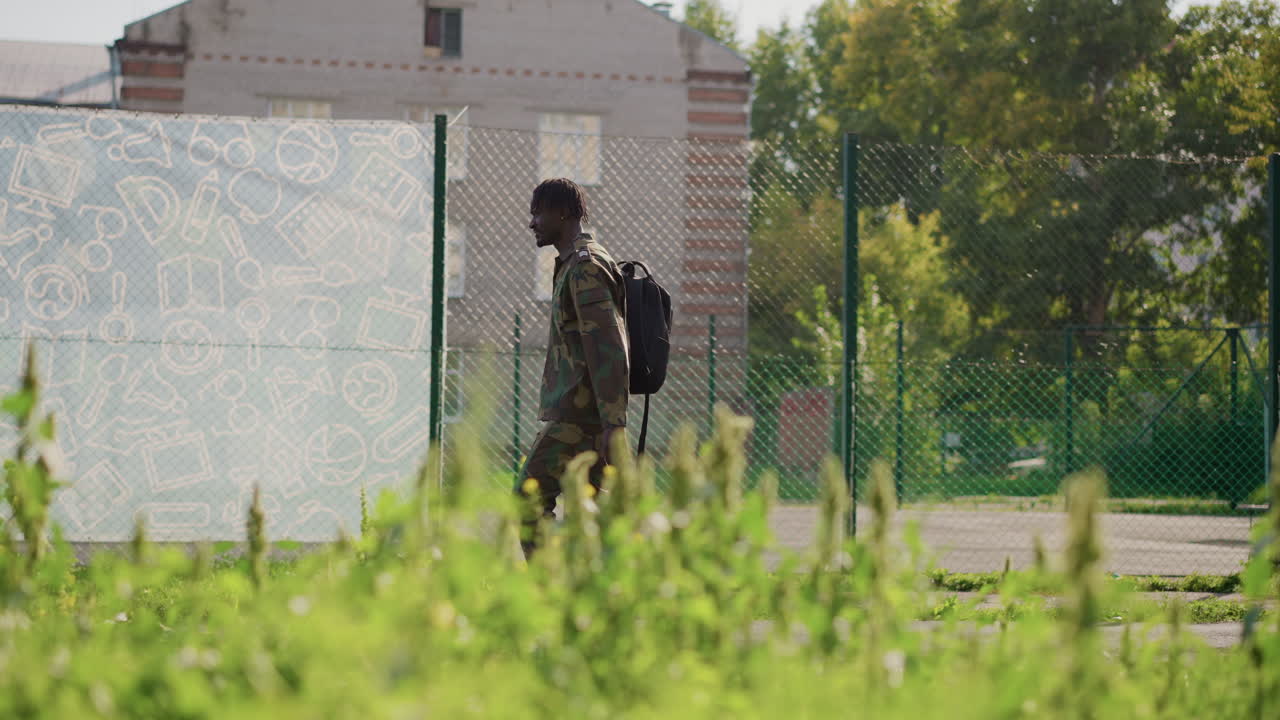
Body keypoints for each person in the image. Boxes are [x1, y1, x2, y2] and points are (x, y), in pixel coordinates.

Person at [517, 178, 629, 557]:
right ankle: (589, 596)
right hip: (585, 414)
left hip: (583, 418)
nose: (532, 222)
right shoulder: (572, 264)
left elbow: (609, 348)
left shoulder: (586, 268)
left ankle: (548, 590)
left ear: (562, 213)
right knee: (591, 514)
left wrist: (614, 425)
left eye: (538, 212)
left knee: (529, 498)